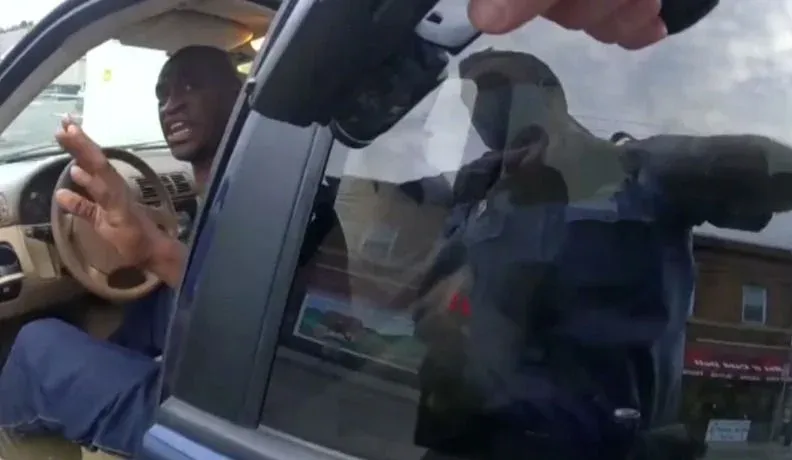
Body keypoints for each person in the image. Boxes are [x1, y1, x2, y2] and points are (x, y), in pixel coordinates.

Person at [412, 50, 792, 460]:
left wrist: (627, 159)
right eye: (471, 102)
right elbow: (428, 298)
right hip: (464, 440)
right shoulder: (477, 191)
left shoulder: (639, 177)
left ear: (550, 96)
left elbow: (776, 170)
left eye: (496, 89)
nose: (485, 112)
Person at [0, 45, 243, 457]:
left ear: (238, 95)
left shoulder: (256, 195)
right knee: (157, 298)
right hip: (242, 378)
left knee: (35, 346)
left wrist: (155, 250)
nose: (171, 104)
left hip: (222, 418)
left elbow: (241, 310)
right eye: (162, 94)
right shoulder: (256, 179)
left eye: (190, 86)